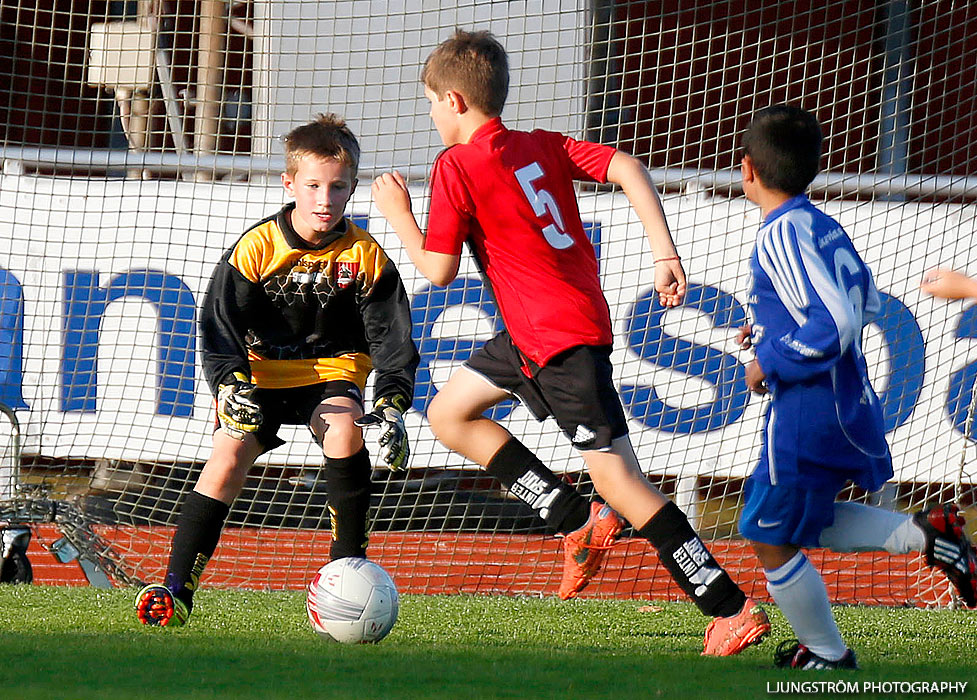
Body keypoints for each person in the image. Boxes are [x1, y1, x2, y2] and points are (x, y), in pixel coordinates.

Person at [372, 29, 770, 656]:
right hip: (541, 333)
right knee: (448, 413)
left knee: (622, 482)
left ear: (453, 101)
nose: (428, 115)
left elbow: (439, 269)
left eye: (428, 102)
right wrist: (664, 252)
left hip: (556, 341)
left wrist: (399, 217)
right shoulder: (540, 144)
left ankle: (731, 607)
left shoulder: (456, 165)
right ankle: (576, 521)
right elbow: (628, 167)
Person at [135, 114, 419, 627]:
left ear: (353, 187)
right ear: (289, 184)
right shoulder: (258, 246)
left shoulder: (366, 255)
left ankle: (345, 575)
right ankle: (176, 589)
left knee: (346, 432)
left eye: (337, 187)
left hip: (330, 374)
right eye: (313, 185)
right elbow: (219, 327)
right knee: (226, 457)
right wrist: (227, 386)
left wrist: (392, 404)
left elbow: (392, 340)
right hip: (260, 378)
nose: (324, 199)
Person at [735, 104, 977, 670]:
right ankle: (929, 535)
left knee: (766, 532)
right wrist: (771, 325)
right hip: (840, 398)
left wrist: (768, 358)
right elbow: (863, 300)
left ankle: (828, 653)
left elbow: (839, 322)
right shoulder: (821, 223)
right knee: (807, 518)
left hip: (809, 406)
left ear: (745, 168)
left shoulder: (780, 234)